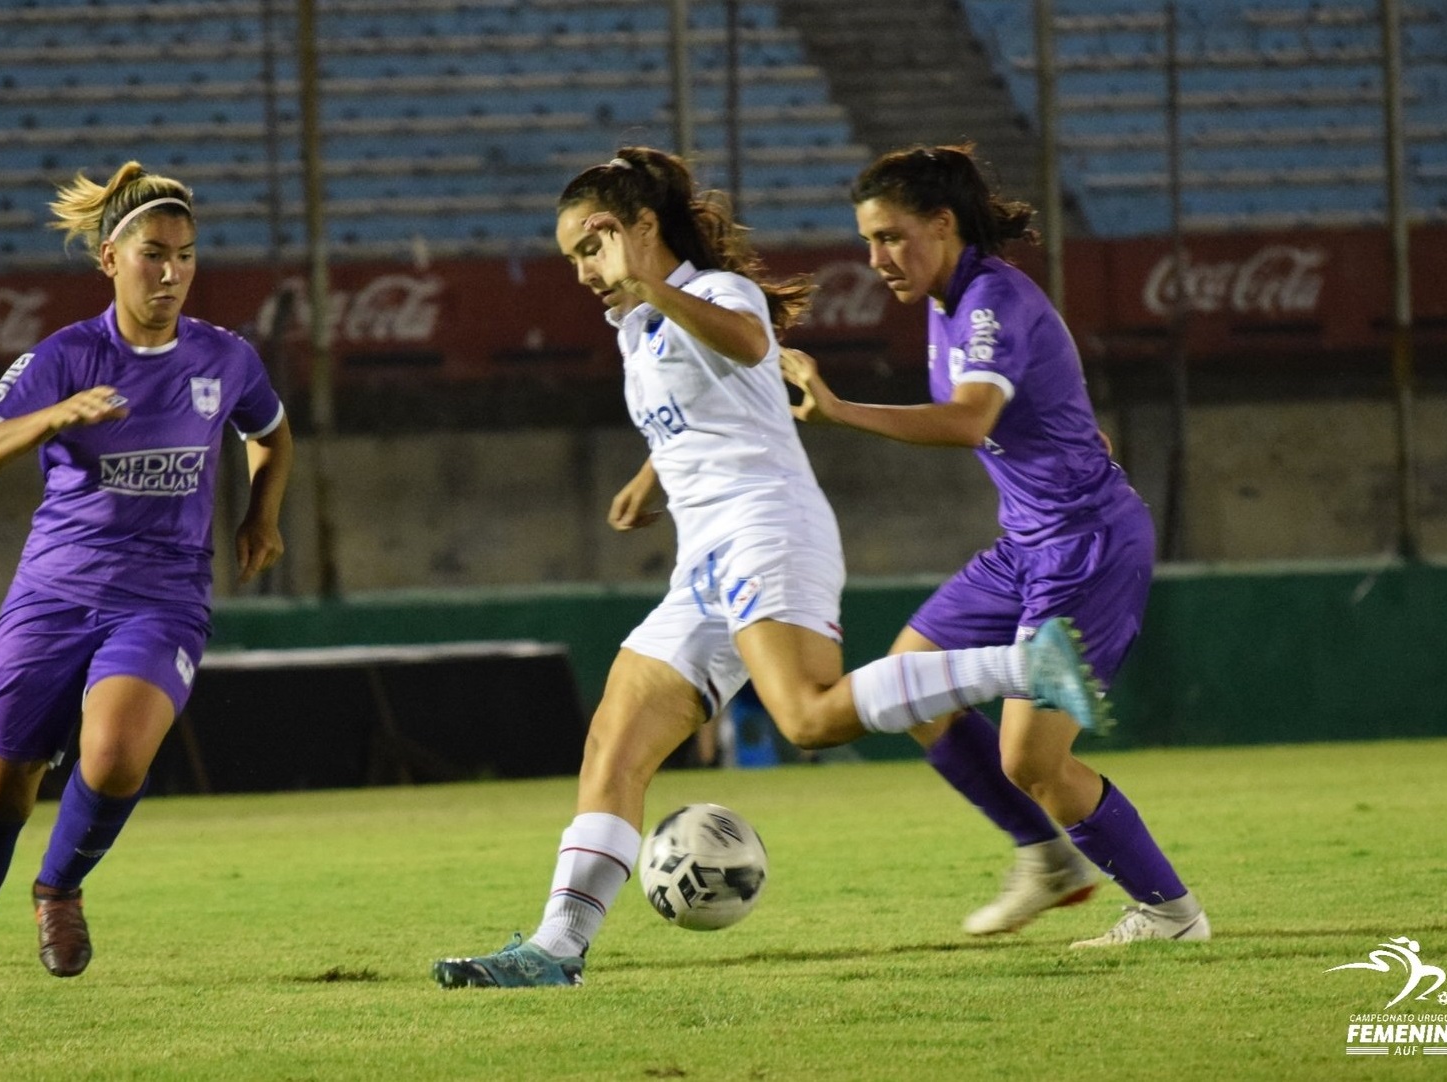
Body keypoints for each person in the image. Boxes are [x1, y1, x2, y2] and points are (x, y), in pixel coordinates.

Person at [432, 146, 1109, 989]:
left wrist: (649, 286)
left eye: (591, 247)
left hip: (768, 533)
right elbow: (707, 411)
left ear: (644, 229)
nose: (582, 273)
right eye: (572, 257)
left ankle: (1024, 666)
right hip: (704, 561)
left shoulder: (714, 294)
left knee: (809, 719)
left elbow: (748, 344)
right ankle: (555, 950)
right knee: (612, 746)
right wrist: (652, 476)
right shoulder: (638, 325)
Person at [778, 144, 1209, 947]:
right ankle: (1046, 860)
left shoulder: (986, 303)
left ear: (942, 225)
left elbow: (970, 418)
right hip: (1026, 546)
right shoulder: (951, 303)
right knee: (911, 680)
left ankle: (1170, 914)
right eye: (867, 241)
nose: (876, 260)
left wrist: (839, 412)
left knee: (1031, 763)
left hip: (1083, 549)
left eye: (891, 236)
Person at [0, 162, 294, 989]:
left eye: (185, 255)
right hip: (54, 593)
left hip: (163, 596)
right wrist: (55, 414)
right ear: (108, 259)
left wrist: (262, 513)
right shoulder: (63, 357)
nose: (172, 273)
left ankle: (58, 886)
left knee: (114, 754)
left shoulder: (225, 357)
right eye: (154, 253)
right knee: (1, 784)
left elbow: (272, 433)